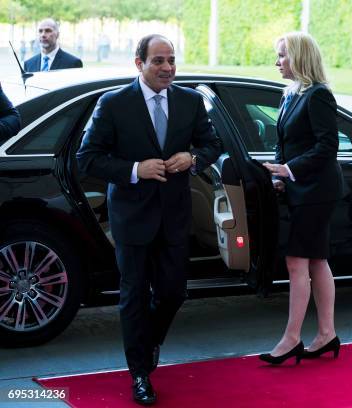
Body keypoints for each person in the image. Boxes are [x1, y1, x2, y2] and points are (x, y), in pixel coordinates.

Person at [77, 34, 222, 405]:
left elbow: (212, 145)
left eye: (171, 60)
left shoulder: (190, 102)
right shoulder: (113, 104)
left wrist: (194, 159)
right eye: (158, 60)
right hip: (131, 217)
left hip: (175, 217)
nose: (168, 68)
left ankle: (149, 340)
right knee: (134, 296)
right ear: (138, 63)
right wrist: (134, 169)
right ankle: (140, 373)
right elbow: (88, 158)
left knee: (174, 291)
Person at [259, 32, 343, 365]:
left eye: (282, 55)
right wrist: (281, 174)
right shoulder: (291, 93)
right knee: (317, 260)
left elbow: (327, 147)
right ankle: (326, 334)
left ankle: (292, 339)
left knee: (298, 261)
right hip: (301, 188)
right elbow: (284, 142)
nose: (277, 62)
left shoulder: (319, 95)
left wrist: (289, 170)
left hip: (317, 191)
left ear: (299, 58)